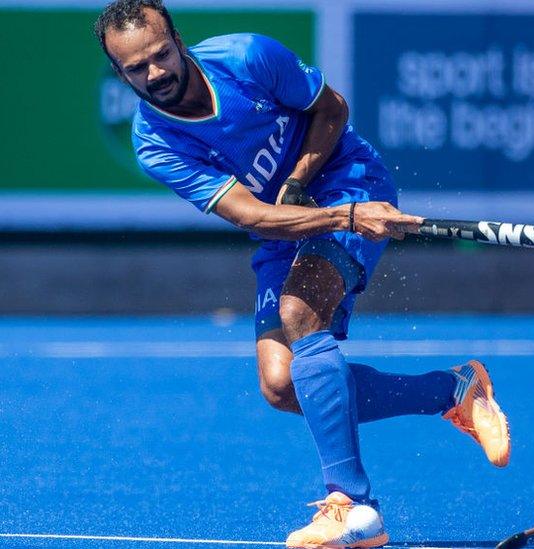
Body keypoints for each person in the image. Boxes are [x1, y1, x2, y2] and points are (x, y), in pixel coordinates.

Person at [93, 1, 511, 547]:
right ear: (120, 73)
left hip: (349, 179)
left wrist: (303, 181)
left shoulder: (248, 57)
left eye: (160, 55)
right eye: (135, 69)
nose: (155, 75)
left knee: (300, 311)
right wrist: (343, 218)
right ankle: (453, 391)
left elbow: (331, 109)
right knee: (281, 384)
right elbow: (249, 214)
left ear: (178, 39)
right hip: (295, 223)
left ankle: (353, 506)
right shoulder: (155, 143)